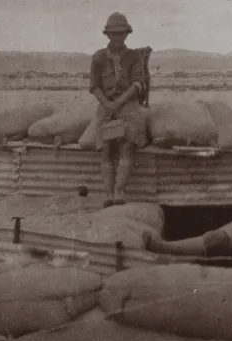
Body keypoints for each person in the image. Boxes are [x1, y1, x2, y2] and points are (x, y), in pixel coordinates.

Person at [89, 12, 148, 208]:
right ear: (107, 35)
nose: (117, 37)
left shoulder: (134, 57)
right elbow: (95, 86)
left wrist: (119, 102)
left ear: (126, 34)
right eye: (113, 34)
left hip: (128, 105)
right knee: (104, 149)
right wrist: (107, 103)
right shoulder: (98, 58)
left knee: (127, 144)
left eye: (121, 33)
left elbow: (138, 84)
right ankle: (107, 193)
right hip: (106, 105)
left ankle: (119, 191)